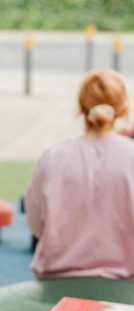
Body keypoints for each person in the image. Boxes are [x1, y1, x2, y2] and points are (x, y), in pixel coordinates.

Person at [24, 70, 134, 280]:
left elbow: (35, 224)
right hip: (126, 285)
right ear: (123, 109)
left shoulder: (53, 157)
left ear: (81, 108)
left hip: (57, 283)